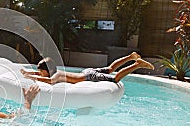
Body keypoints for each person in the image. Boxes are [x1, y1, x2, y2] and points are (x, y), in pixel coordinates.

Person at [20, 52, 154, 84]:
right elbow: (41, 73)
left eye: (40, 71)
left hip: (89, 76)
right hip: (86, 71)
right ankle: (131, 56)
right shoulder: (53, 72)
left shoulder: (57, 75)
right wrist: (27, 72)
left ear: (47, 71)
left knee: (115, 79)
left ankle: (137, 64)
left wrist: (30, 77)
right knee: (110, 68)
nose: (39, 73)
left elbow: (48, 81)